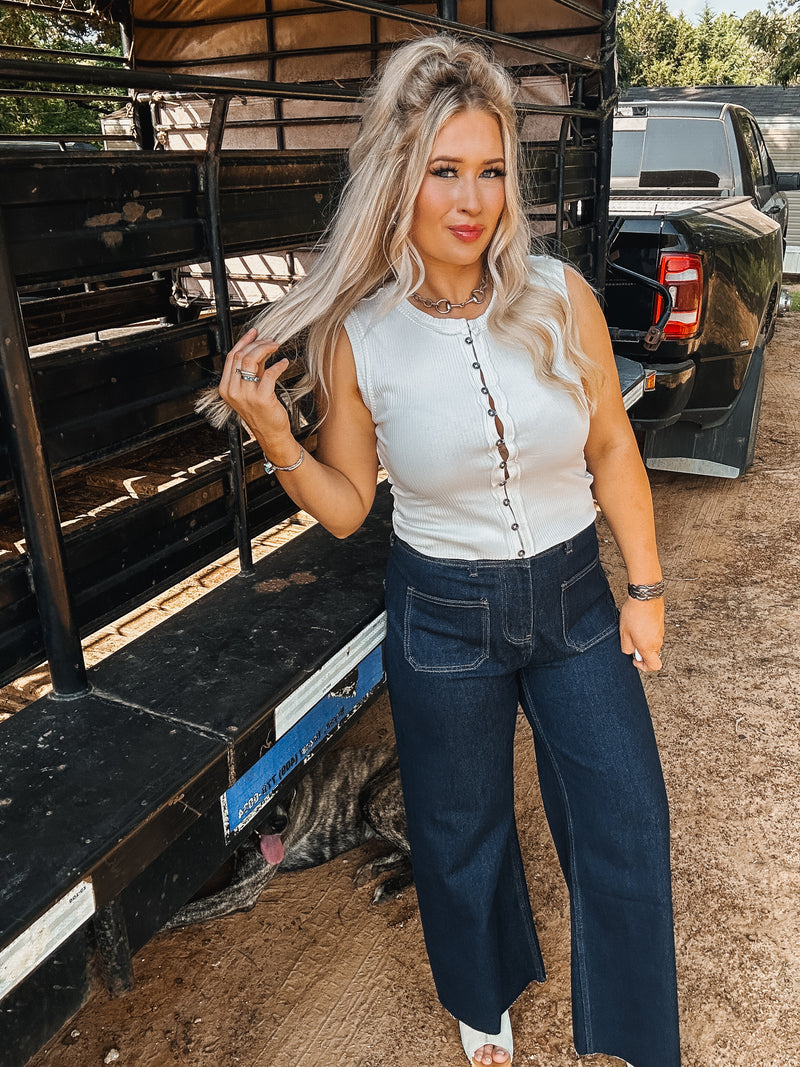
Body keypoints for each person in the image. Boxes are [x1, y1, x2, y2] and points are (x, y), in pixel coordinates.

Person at [204, 33, 681, 1067]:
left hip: (573, 597)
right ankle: (481, 994)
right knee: (459, 828)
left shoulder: (559, 296)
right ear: (398, 179)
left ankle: (635, 1030)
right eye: (444, 170)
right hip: (442, 613)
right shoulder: (360, 334)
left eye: (491, 170)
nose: (472, 201)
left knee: (626, 813)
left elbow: (610, 444)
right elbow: (346, 508)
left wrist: (643, 587)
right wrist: (276, 436)